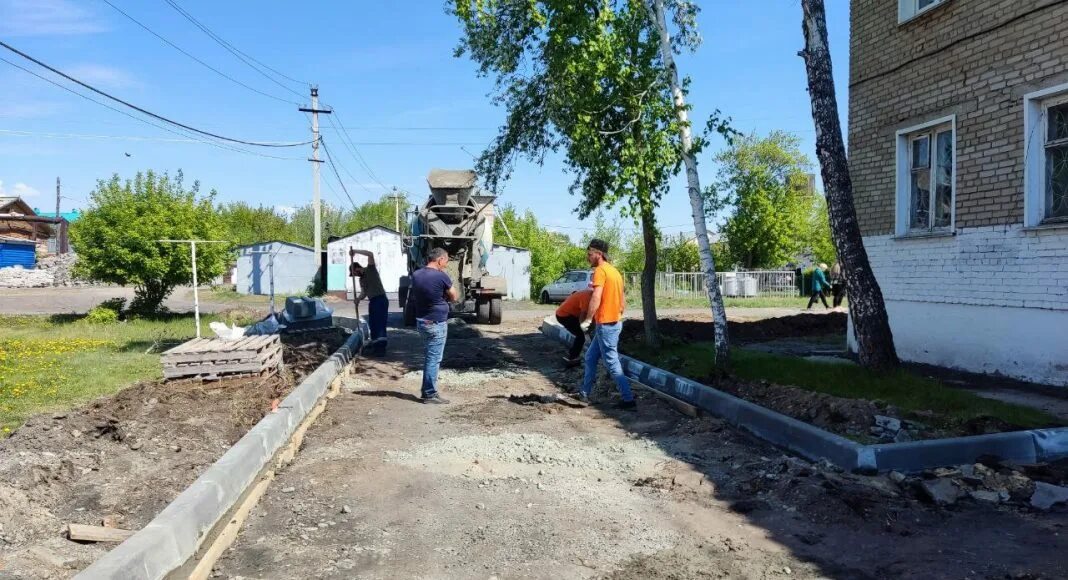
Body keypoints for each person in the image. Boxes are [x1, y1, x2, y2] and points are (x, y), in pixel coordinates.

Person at [573, 239, 636, 410]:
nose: (588, 257)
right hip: (613, 322)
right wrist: (616, 314)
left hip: (606, 325)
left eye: (590, 254)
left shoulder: (600, 271)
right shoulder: (615, 272)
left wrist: (587, 319)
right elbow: (623, 302)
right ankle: (584, 393)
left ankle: (628, 399)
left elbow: (596, 297)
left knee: (612, 363)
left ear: (599, 254)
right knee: (590, 358)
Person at [410, 247, 458, 404]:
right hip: (435, 322)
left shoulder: (416, 275)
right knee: (434, 358)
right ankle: (429, 394)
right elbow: (454, 296)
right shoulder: (441, 276)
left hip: (421, 322)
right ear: (440, 260)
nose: (446, 265)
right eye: (446, 261)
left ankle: (427, 390)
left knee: (429, 356)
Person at [349, 248, 388, 357]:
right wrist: (358, 299)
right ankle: (375, 345)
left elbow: (370, 254)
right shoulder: (361, 280)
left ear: (357, 268)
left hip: (380, 299)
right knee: (373, 323)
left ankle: (381, 348)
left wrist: (355, 251)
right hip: (373, 301)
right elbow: (364, 293)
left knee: (380, 323)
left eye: (354, 273)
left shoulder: (370, 269)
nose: (355, 276)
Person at [555, 288, 593, 366]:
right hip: (564, 315)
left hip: (570, 314)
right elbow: (582, 317)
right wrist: (585, 331)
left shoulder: (591, 294)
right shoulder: (587, 297)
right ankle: (573, 357)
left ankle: (575, 355)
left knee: (583, 333)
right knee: (581, 336)